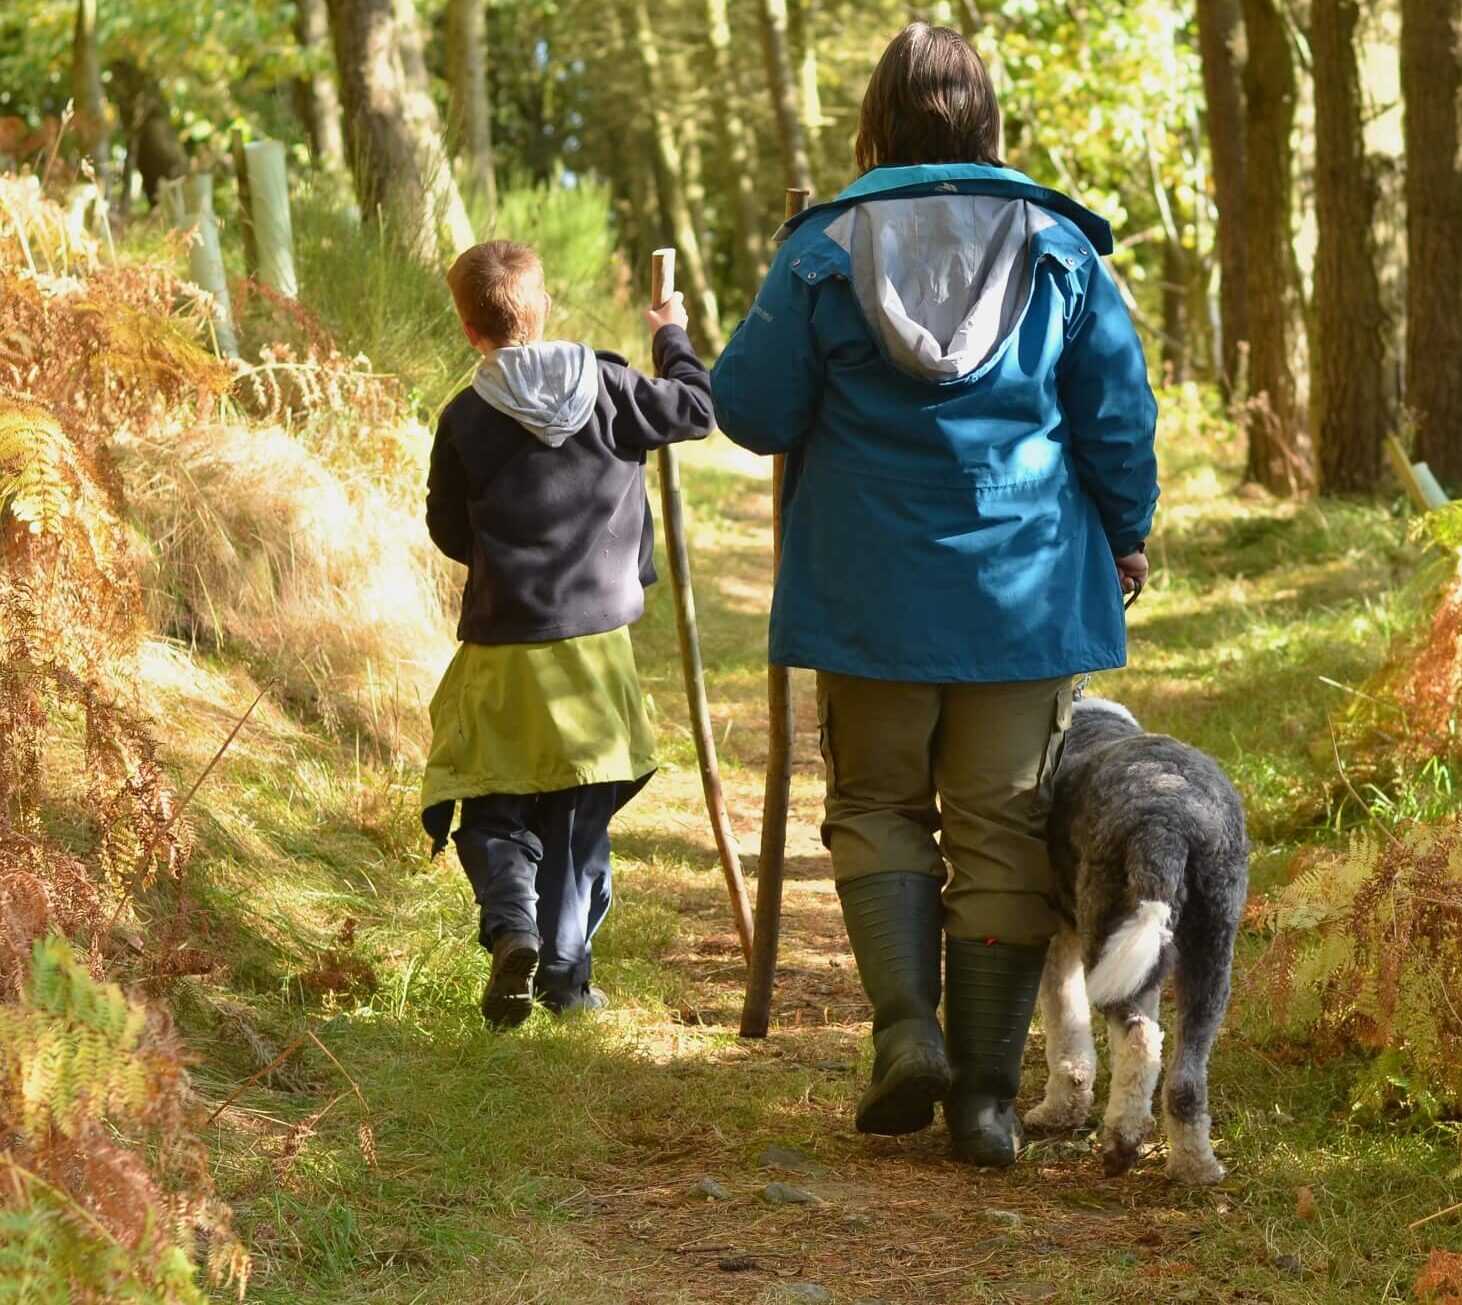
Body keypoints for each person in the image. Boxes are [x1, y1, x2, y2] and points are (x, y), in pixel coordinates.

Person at [711, 23, 1159, 1166]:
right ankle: (984, 1100)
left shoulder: (822, 252)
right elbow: (1115, 416)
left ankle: (906, 1028)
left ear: (877, 125)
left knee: (878, 808)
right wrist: (1129, 534)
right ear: (986, 122)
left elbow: (753, 410)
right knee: (1003, 826)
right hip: (1021, 593)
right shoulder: (1061, 248)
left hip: (868, 593)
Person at [421, 239, 713, 1028]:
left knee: (488, 802)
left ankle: (512, 923)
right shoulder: (613, 386)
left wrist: (498, 565)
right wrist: (670, 333)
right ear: (542, 306)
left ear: (468, 328)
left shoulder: (465, 417)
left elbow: (446, 524)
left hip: (503, 647)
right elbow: (695, 406)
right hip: (595, 650)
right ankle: (564, 978)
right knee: (578, 816)